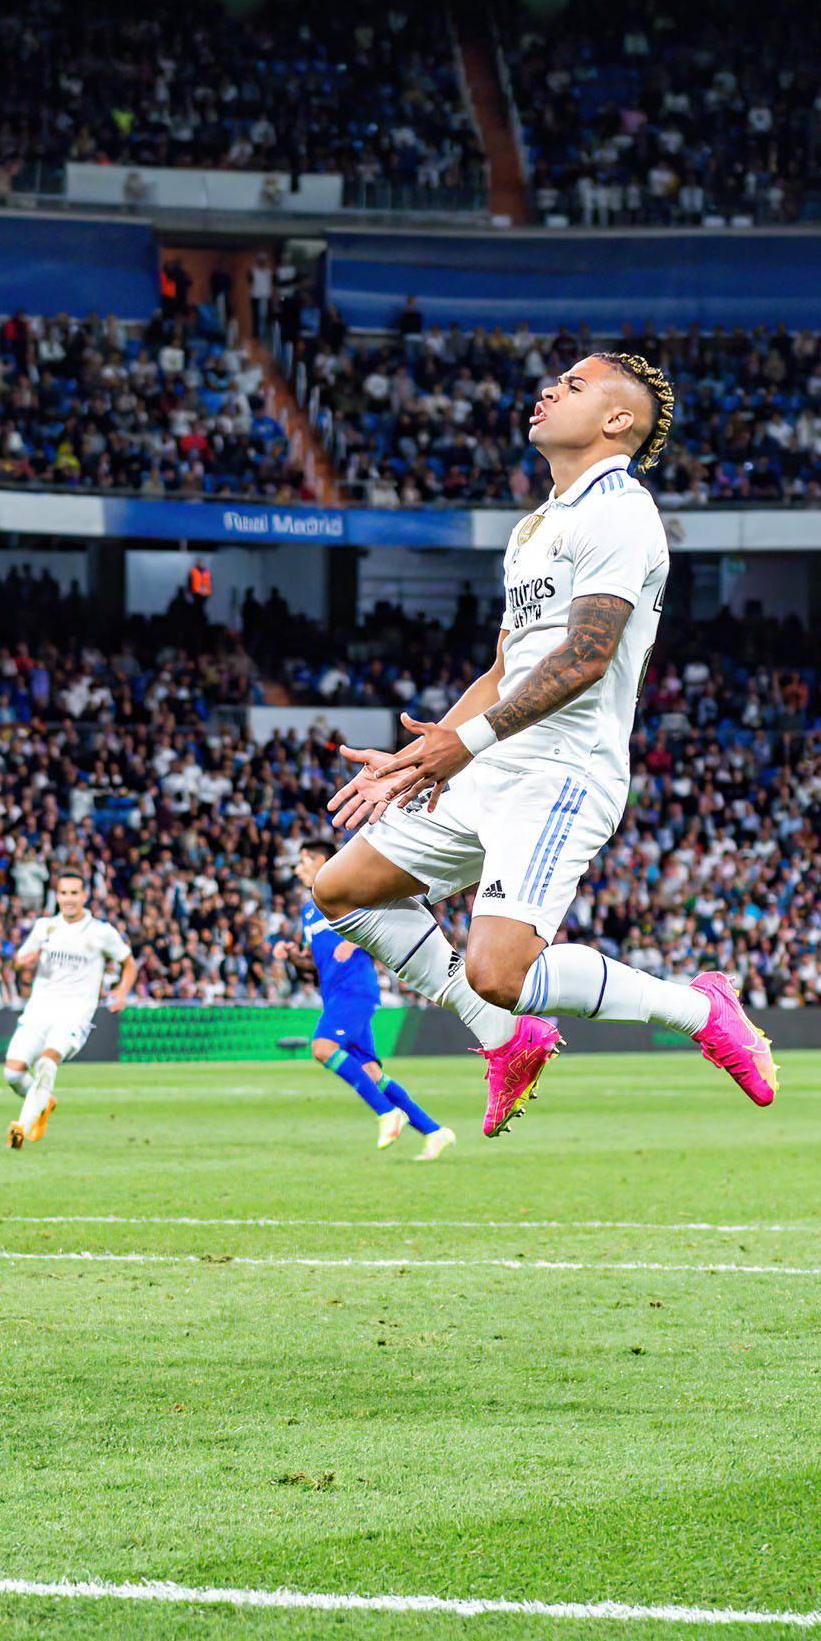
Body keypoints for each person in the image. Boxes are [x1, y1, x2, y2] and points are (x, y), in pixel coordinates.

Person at [307, 353, 777, 1137]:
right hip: (494, 759)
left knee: (499, 971)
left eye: (575, 384)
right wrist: (423, 752)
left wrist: (465, 745)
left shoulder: (622, 511)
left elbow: (587, 657)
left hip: (561, 772)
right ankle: (506, 1037)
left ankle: (701, 1008)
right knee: (340, 890)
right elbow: (503, 667)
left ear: (617, 420)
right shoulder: (536, 526)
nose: (549, 390)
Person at [269, 840, 452, 1159]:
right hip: (334, 992)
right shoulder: (309, 909)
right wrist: (294, 957)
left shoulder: (346, 890)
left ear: (320, 860)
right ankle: (435, 1131)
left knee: (322, 1048)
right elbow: (317, 962)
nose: (298, 870)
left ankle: (387, 1113)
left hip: (355, 988)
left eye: (303, 862)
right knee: (370, 1072)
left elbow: (383, 926)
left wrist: (356, 945)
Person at [3, 870, 139, 1147]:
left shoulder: (101, 932)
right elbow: (18, 960)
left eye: (74, 893)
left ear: (85, 896)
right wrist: (23, 962)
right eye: (64, 893)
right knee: (13, 1074)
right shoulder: (44, 927)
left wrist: (122, 992)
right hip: (39, 1010)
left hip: (75, 1013)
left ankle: (23, 1126)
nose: (68, 899)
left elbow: (130, 963)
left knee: (47, 1060)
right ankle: (44, 1101)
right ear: (57, 895)